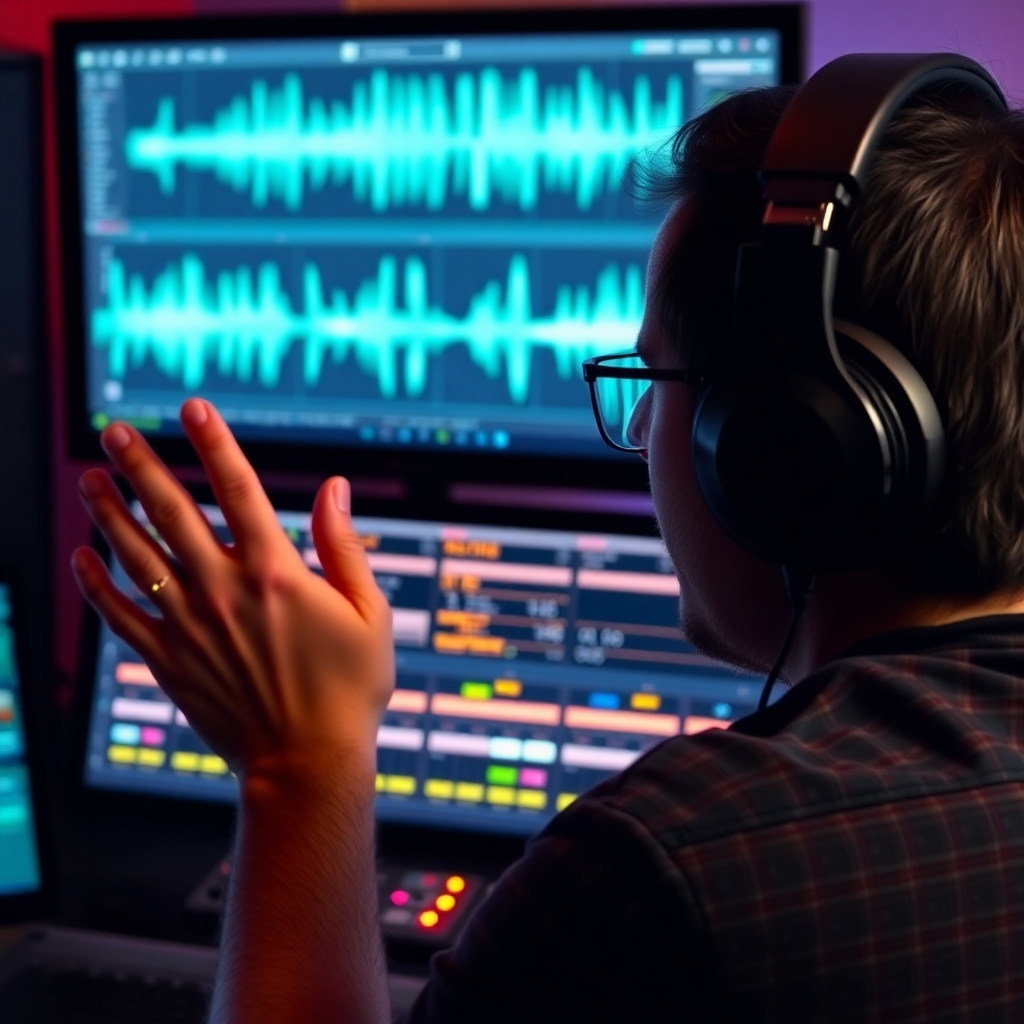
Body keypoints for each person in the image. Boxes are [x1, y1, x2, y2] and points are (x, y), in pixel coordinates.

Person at [72, 68, 1024, 1024]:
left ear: (782, 445)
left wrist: (299, 769)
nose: (647, 425)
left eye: (655, 375)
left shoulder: (670, 865)